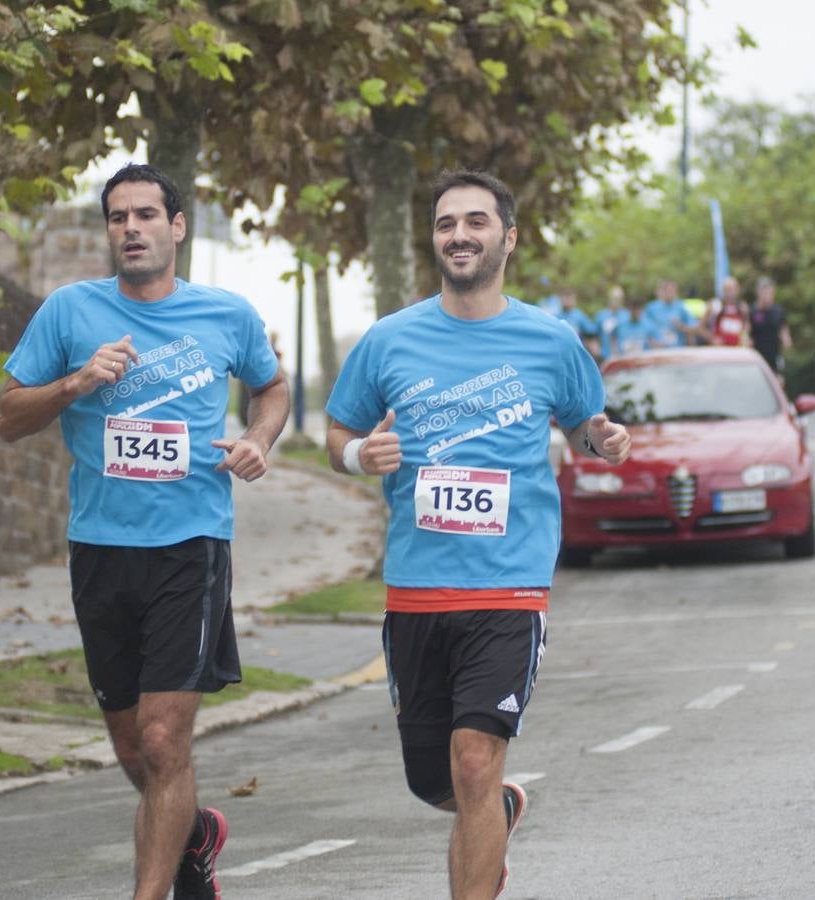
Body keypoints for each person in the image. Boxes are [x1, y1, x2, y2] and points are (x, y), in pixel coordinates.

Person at [324, 170, 630, 899]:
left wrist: (603, 439)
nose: (459, 234)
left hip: (509, 585)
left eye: (475, 222)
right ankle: (499, 811)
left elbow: (586, 422)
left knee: (473, 764)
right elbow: (337, 432)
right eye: (445, 223)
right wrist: (359, 455)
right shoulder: (388, 340)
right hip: (416, 591)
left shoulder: (549, 340)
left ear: (508, 237)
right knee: (435, 780)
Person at [0, 163, 289, 900]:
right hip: (100, 548)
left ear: (176, 227)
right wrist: (74, 384)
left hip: (190, 547)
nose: (132, 228)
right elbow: (8, 417)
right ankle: (195, 836)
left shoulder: (226, 314)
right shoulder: (69, 312)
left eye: (146, 215)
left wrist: (259, 438)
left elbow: (272, 386)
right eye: (118, 217)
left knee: (163, 739)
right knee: (132, 747)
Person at [749, 276, 792, 375]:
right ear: (758, 293)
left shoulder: (778, 311)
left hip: (774, 356)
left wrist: (786, 339)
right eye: (764, 291)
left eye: (769, 291)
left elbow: (783, 328)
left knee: (778, 381)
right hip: (757, 356)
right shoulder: (752, 311)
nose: (767, 295)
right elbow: (747, 331)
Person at [645, 278, 704, 347]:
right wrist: (652, 342)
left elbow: (695, 329)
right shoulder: (651, 308)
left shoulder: (681, 307)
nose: (670, 293)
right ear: (662, 291)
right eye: (667, 290)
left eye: (672, 290)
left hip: (677, 350)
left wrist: (681, 326)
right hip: (657, 351)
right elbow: (641, 329)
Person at [553, 289, 601, 361]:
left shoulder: (578, 315)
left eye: (569, 297)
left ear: (573, 299)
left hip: (577, 352)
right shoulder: (557, 317)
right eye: (565, 297)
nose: (567, 300)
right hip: (561, 352)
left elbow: (591, 331)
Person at [708, 276, 751, 347]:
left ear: (737, 290)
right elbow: (701, 327)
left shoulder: (743, 307)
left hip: (737, 350)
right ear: (723, 290)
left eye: (732, 289)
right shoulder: (715, 305)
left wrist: (746, 338)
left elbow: (746, 326)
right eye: (727, 289)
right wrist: (711, 338)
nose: (730, 292)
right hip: (719, 350)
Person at [595, 284, 631, 361]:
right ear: (609, 298)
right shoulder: (601, 315)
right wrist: (596, 348)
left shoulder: (627, 315)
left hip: (624, 356)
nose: (616, 301)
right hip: (605, 357)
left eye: (619, 298)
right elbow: (593, 334)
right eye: (614, 298)